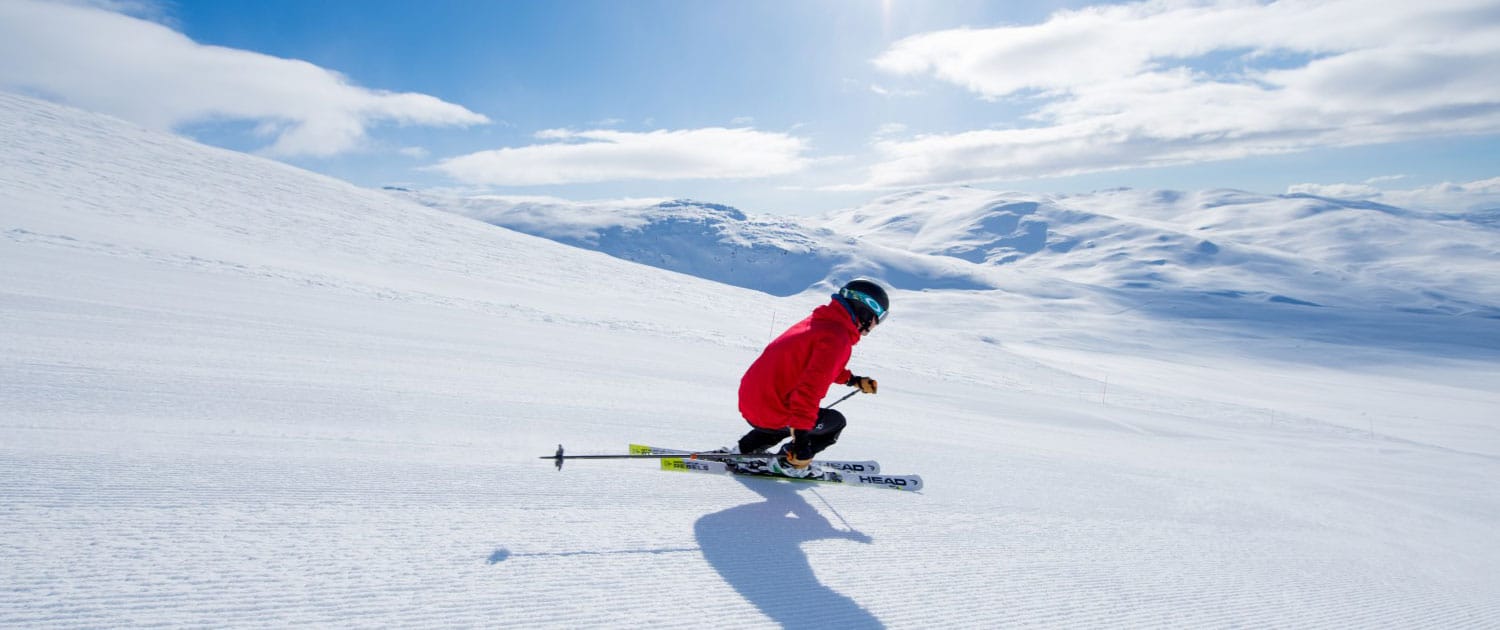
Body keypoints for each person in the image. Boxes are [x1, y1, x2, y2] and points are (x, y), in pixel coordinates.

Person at [734, 279, 889, 477]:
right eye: (880, 317)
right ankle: (789, 463)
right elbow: (809, 391)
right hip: (770, 410)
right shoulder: (837, 338)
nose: (876, 325)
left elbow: (815, 367)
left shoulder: (820, 322)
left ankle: (745, 449)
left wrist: (854, 380)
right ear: (866, 310)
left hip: (753, 401)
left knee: (786, 413)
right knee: (835, 422)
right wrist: (801, 441)